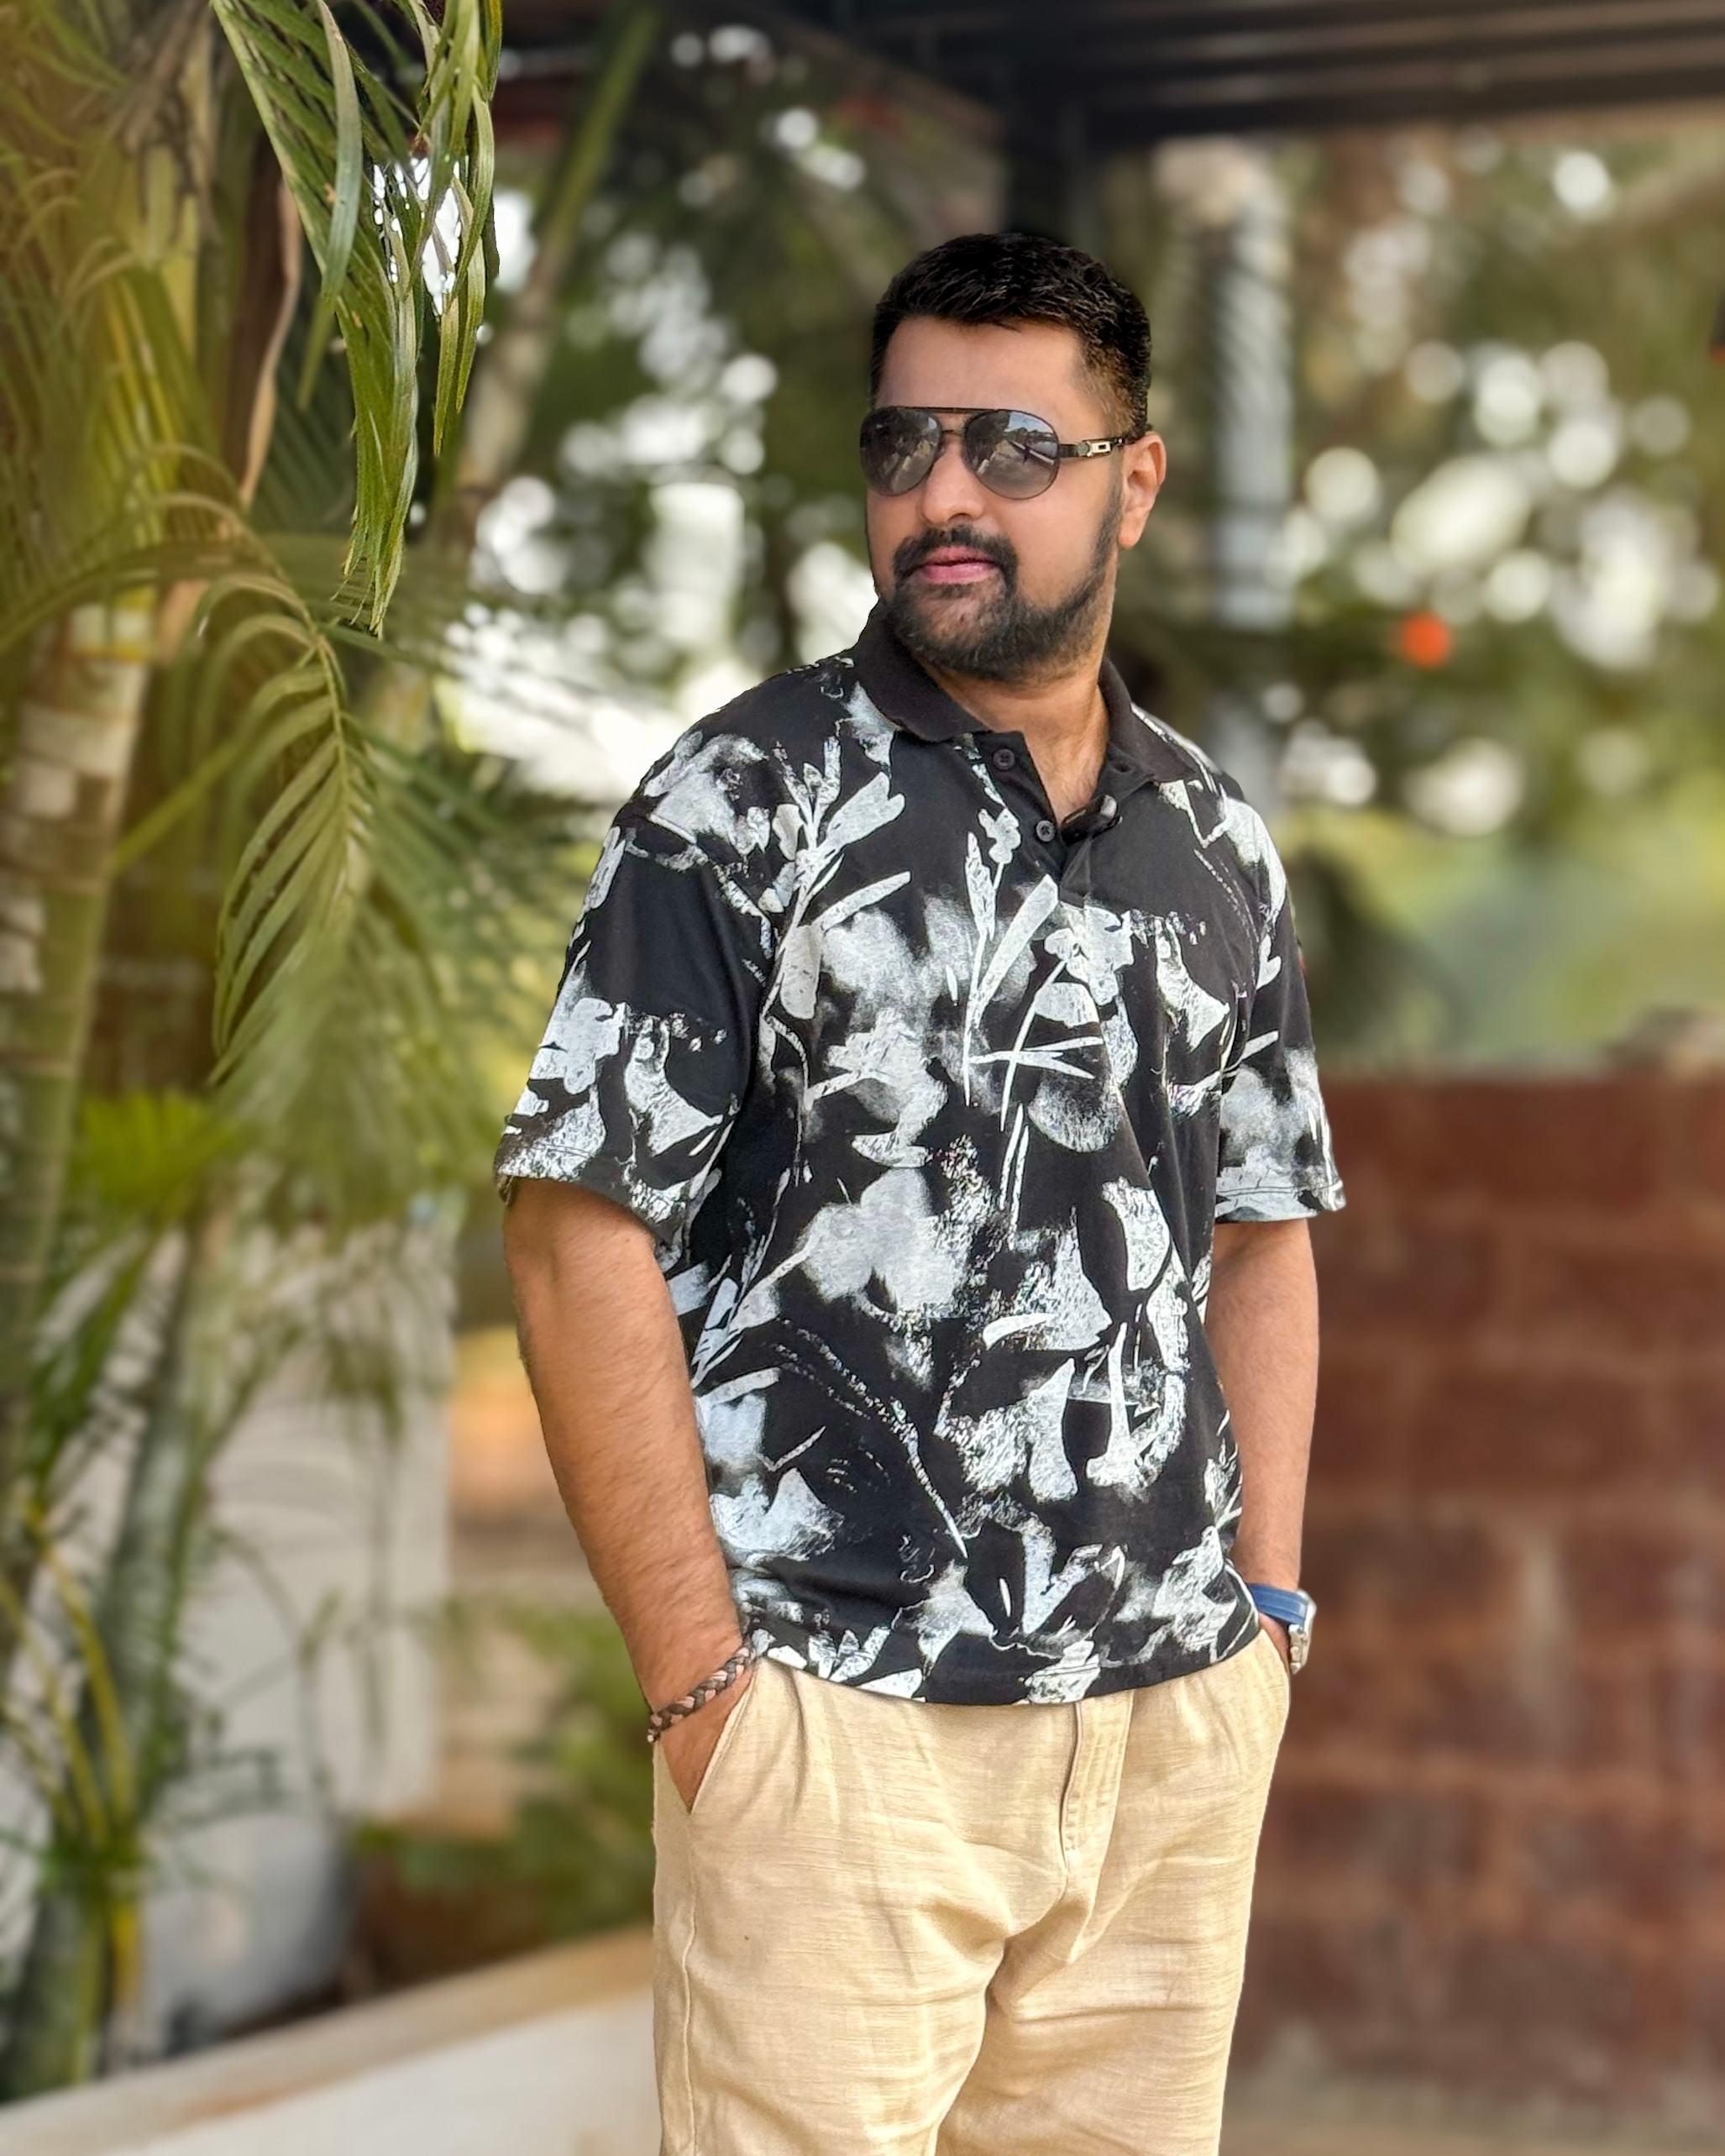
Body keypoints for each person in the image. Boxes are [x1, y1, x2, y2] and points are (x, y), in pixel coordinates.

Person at [495, 229, 1346, 2156]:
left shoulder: (1214, 841)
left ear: (1134, 479)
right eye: (904, 445)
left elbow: (1265, 1231)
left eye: (1011, 448)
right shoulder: (745, 800)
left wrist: (1264, 1621)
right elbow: (573, 1231)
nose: (944, 492)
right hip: (838, 1732)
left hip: (1166, 1737)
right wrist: (706, 1696)